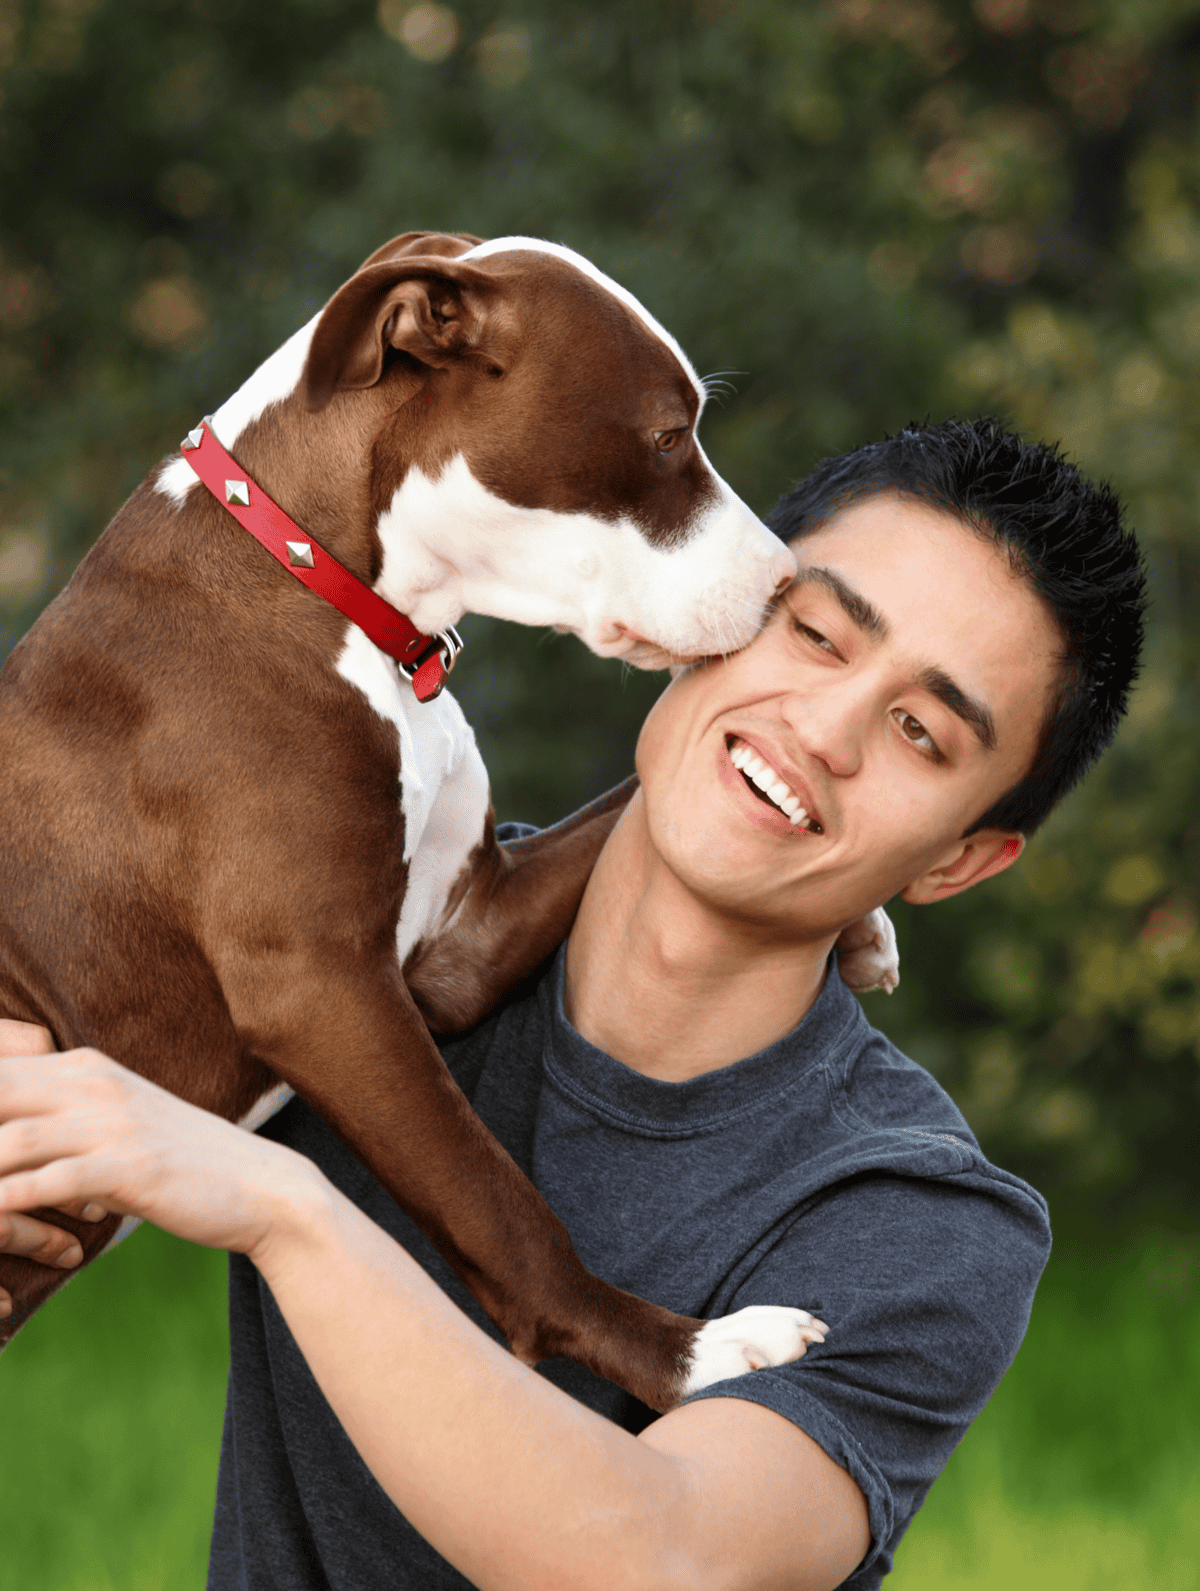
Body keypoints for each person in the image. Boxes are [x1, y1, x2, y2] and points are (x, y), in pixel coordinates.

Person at [0, 418, 1145, 1591]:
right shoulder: (371, 945)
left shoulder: (915, 1214)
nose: (824, 729)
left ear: (957, 860)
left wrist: (281, 1207)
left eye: (920, 732)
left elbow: (662, 1560)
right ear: (724, 606)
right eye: (813, 634)